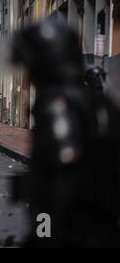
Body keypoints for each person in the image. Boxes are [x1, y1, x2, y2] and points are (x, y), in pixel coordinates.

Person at [10, 20, 120, 247]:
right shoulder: (100, 102)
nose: (28, 75)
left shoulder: (58, 108)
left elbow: (56, 192)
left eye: (31, 67)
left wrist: (41, 236)